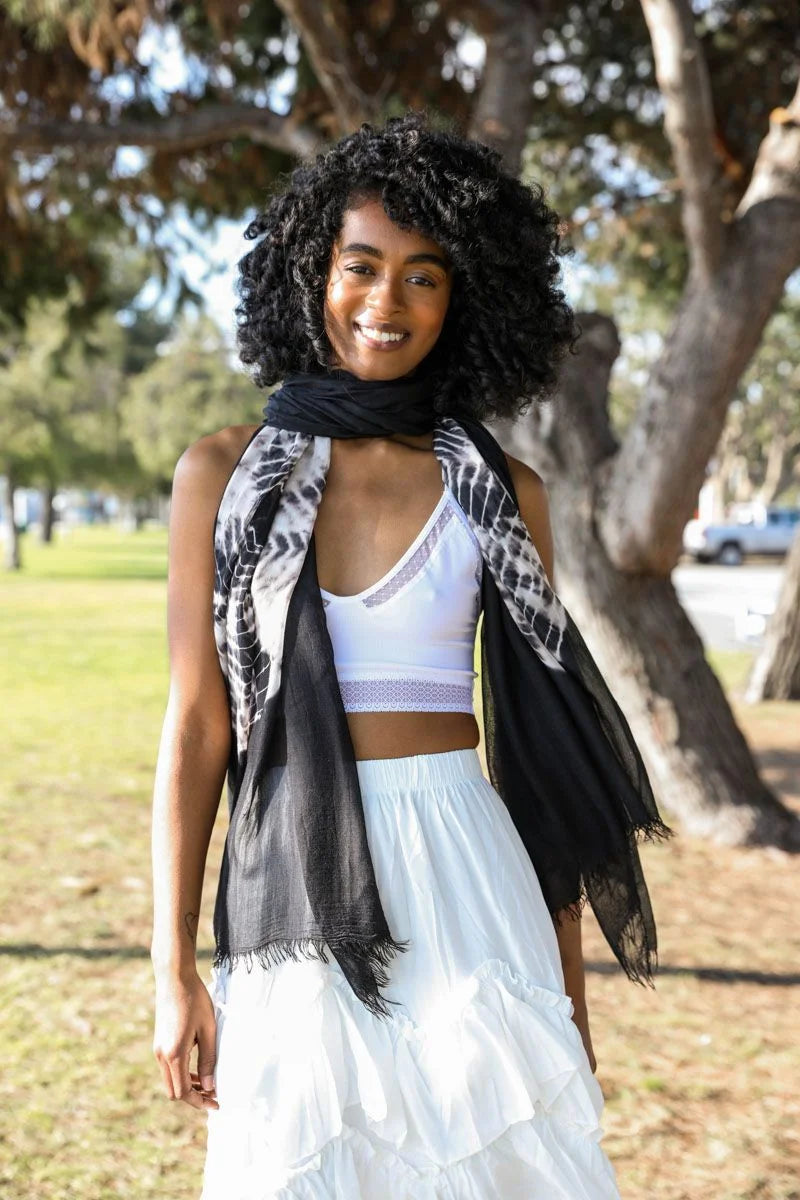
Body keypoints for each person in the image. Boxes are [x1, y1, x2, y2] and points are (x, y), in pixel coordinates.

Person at [151, 110, 667, 1198]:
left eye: (423, 277)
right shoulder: (223, 475)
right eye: (361, 266)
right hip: (290, 875)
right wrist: (171, 973)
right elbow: (197, 728)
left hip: (467, 869)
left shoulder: (498, 488)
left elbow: (541, 762)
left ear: (463, 296)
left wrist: (564, 998)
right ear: (312, 271)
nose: (386, 303)